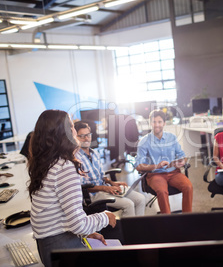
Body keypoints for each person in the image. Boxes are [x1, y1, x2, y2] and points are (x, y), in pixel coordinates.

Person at [28, 110, 116, 267]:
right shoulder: (65, 167)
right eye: (71, 126)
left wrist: (84, 234)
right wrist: (105, 216)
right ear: (62, 134)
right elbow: (78, 224)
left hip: (48, 245)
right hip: (60, 246)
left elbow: (60, 215)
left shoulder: (46, 163)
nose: (75, 131)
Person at [74, 121, 145, 217]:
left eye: (88, 135)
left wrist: (112, 183)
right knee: (129, 205)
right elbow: (83, 186)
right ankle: (129, 231)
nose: (86, 138)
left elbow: (101, 176)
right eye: (81, 136)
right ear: (75, 137)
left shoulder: (95, 153)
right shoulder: (75, 159)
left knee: (140, 199)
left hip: (105, 188)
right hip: (94, 195)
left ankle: (139, 230)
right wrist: (105, 188)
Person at [134, 110, 193, 214]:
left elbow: (182, 155)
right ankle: (167, 221)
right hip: (155, 175)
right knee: (162, 191)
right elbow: (138, 166)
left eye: (159, 122)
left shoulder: (172, 137)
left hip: (173, 172)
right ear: (150, 123)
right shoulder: (144, 141)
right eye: (154, 122)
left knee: (188, 187)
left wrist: (181, 162)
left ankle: (187, 218)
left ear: (164, 123)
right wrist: (156, 166)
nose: (157, 125)